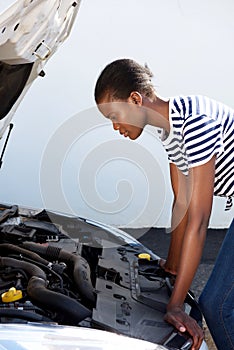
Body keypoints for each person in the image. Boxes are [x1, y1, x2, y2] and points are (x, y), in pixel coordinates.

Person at [94, 58, 234, 350]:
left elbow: (198, 220)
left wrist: (176, 304)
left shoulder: (195, 125)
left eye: (114, 116)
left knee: (217, 307)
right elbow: (181, 202)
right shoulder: (169, 128)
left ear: (135, 99)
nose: (116, 126)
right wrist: (170, 267)